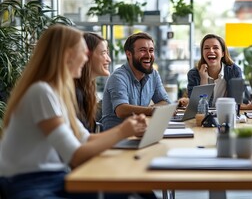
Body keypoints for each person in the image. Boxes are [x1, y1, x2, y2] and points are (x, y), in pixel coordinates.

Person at [0, 24, 148, 199]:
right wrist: (123, 131)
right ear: (68, 55)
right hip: (29, 183)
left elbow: (84, 138)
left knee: (135, 192)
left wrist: (126, 131)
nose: (86, 59)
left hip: (54, 178)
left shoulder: (56, 92)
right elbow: (75, 156)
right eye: (84, 53)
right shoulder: (40, 92)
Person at [101, 32, 170, 131]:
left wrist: (154, 109)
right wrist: (153, 110)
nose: (148, 55)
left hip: (140, 131)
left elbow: (165, 102)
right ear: (129, 54)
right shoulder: (118, 77)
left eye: (151, 50)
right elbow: (121, 110)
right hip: (116, 138)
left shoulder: (153, 75)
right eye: (142, 50)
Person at [182, 33, 243, 107]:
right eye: (206, 48)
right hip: (204, 117)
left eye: (215, 48)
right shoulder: (193, 74)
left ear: (223, 53)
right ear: (202, 53)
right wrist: (203, 79)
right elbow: (196, 106)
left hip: (227, 114)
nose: (211, 51)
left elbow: (237, 103)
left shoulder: (234, 71)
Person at [74, 32, 111, 132]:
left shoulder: (88, 89)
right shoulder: (75, 93)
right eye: (103, 53)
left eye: (107, 53)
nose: (109, 59)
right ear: (86, 55)